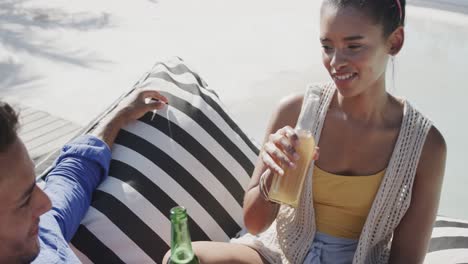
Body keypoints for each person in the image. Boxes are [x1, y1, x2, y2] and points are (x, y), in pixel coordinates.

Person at [163, 0, 447, 263]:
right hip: (279, 251)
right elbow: (255, 223)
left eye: (353, 46)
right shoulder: (295, 113)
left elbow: (406, 258)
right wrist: (269, 178)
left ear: (394, 41)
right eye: (327, 46)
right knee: (182, 258)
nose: (336, 62)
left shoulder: (425, 146)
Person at [0, 89, 168, 263]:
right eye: (24, 201)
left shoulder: (44, 234)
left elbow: (72, 177)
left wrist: (120, 116)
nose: (46, 204)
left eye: (34, 184)